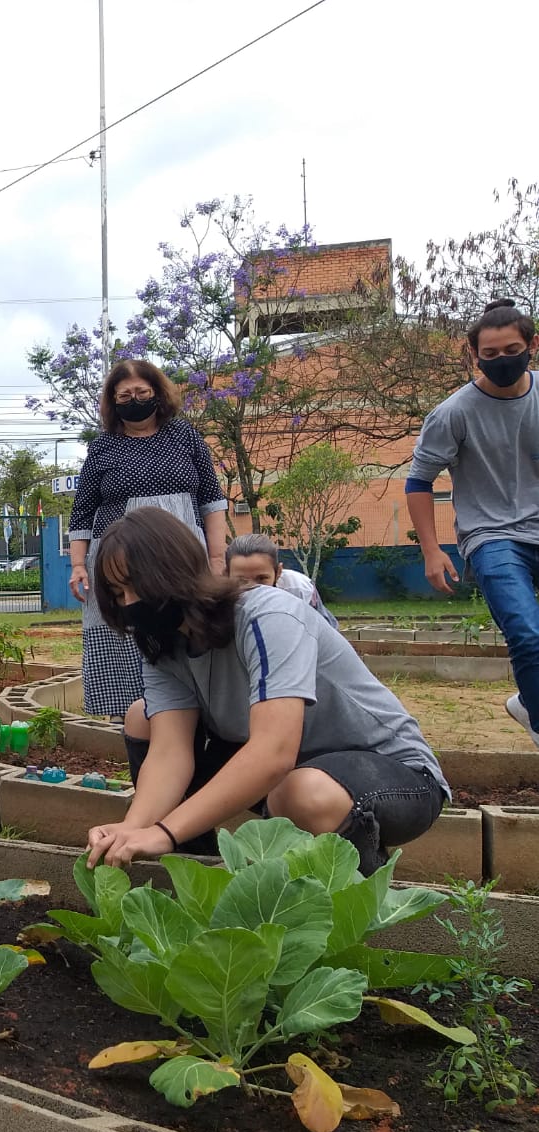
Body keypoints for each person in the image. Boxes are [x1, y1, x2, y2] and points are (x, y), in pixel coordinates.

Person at [84, 508, 446, 874]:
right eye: (117, 593)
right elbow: (169, 753)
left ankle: (362, 890)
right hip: (289, 771)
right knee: (141, 718)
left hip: (391, 772)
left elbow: (274, 753)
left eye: (137, 587)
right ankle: (194, 869)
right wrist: (135, 828)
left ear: (174, 572)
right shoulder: (165, 644)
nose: (129, 604)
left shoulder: (267, 615)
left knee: (302, 793)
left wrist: (164, 831)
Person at [407, 298, 539, 750]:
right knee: (526, 630)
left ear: (532, 346)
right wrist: (431, 550)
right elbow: (418, 481)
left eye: (512, 350)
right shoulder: (453, 413)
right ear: (474, 355)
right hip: (492, 535)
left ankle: (527, 700)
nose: (502, 360)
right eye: (491, 354)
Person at [68, 360, 229, 719]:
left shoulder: (184, 436)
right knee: (124, 626)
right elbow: (82, 512)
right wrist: (79, 565)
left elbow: (213, 500)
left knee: (187, 622)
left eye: (141, 392)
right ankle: (132, 720)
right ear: (113, 401)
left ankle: (197, 711)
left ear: (157, 392)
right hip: (120, 559)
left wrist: (217, 558)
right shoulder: (102, 448)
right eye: (124, 395)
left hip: (181, 555)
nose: (134, 400)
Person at [224, 532, 340, 630]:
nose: (253, 588)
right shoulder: (219, 598)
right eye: (242, 581)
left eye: (262, 579)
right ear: (227, 575)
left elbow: (329, 633)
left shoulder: (300, 589)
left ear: (278, 572)